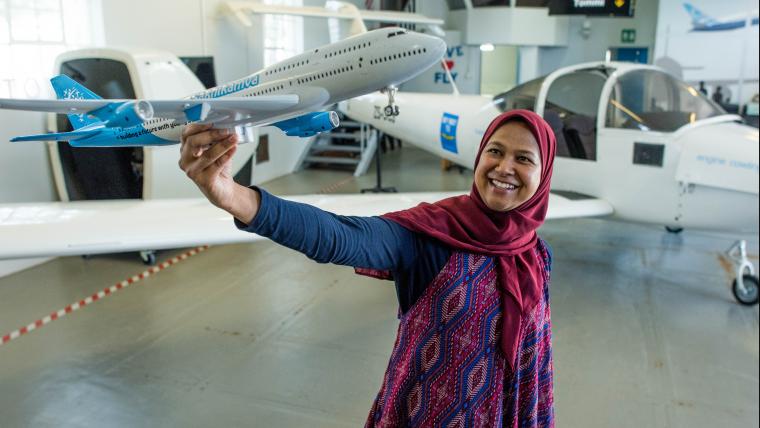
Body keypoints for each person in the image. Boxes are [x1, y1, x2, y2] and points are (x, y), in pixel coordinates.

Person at [179, 109, 557, 426]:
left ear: (543, 176)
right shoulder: (433, 237)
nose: (504, 167)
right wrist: (235, 197)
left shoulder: (535, 255)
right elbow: (341, 237)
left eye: (523, 158)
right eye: (495, 151)